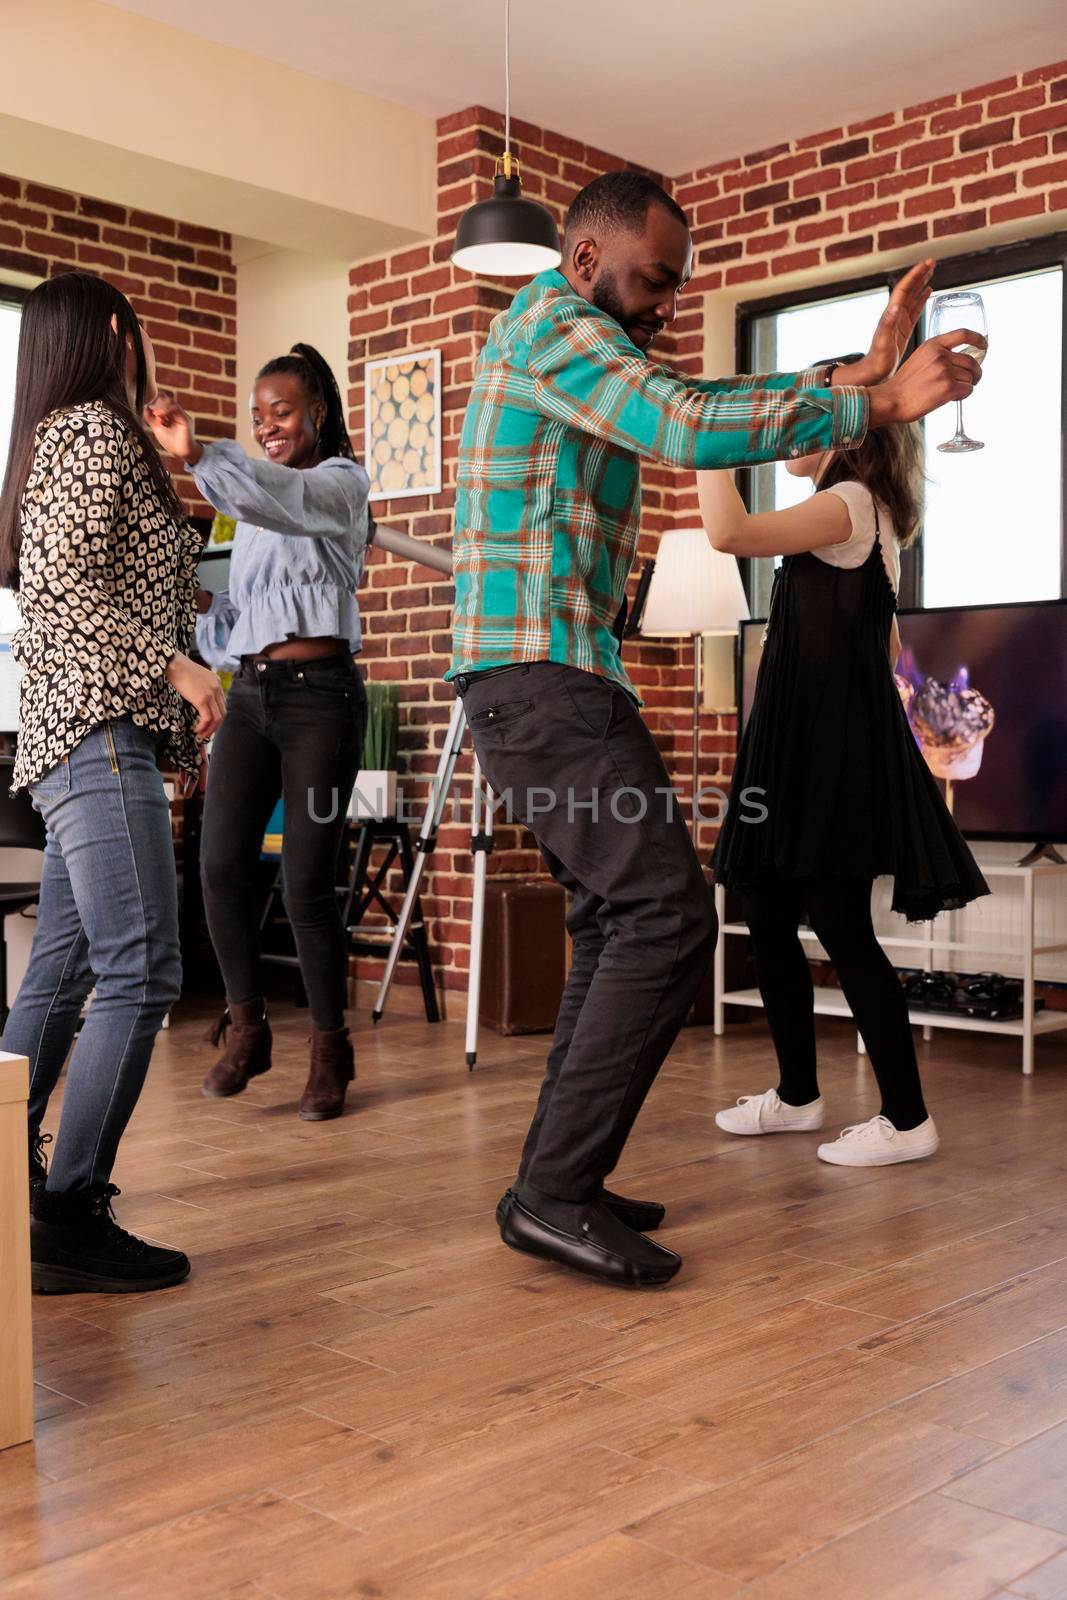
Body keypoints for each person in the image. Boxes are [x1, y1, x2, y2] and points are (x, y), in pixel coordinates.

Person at [448, 169, 984, 1288]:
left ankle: (562, 1174)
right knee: (661, 913)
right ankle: (549, 1191)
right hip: (537, 675)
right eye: (651, 281)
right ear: (585, 259)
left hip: (557, 674)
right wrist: (875, 400)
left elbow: (688, 397)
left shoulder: (580, 339)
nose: (661, 304)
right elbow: (685, 419)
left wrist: (866, 368)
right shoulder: (551, 325)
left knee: (617, 919)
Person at [0, 270, 225, 1294]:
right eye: (130, 324)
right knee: (143, 968)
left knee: (64, 966)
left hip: (78, 728)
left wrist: (180, 464)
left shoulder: (73, 432)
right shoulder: (88, 429)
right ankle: (67, 1212)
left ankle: (12, 1184)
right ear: (105, 328)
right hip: (98, 728)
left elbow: (121, 575)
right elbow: (57, 589)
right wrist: (174, 668)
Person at [703, 416, 989, 1166]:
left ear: (844, 431)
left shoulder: (850, 502)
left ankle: (906, 1119)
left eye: (804, 418)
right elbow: (885, 645)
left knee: (836, 920)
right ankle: (797, 1095)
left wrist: (704, 443)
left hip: (824, 752)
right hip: (799, 745)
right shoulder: (853, 511)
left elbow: (727, 533)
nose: (788, 433)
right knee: (767, 913)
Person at [145, 344, 371, 1121]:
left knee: (307, 883)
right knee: (215, 867)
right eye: (257, 415)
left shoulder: (339, 485)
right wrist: (210, 620)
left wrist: (203, 451)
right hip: (254, 699)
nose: (268, 425)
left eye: (281, 411)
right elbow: (235, 619)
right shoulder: (238, 514)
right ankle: (248, 1026)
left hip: (323, 702)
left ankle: (330, 1050)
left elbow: (280, 497)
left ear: (317, 413)